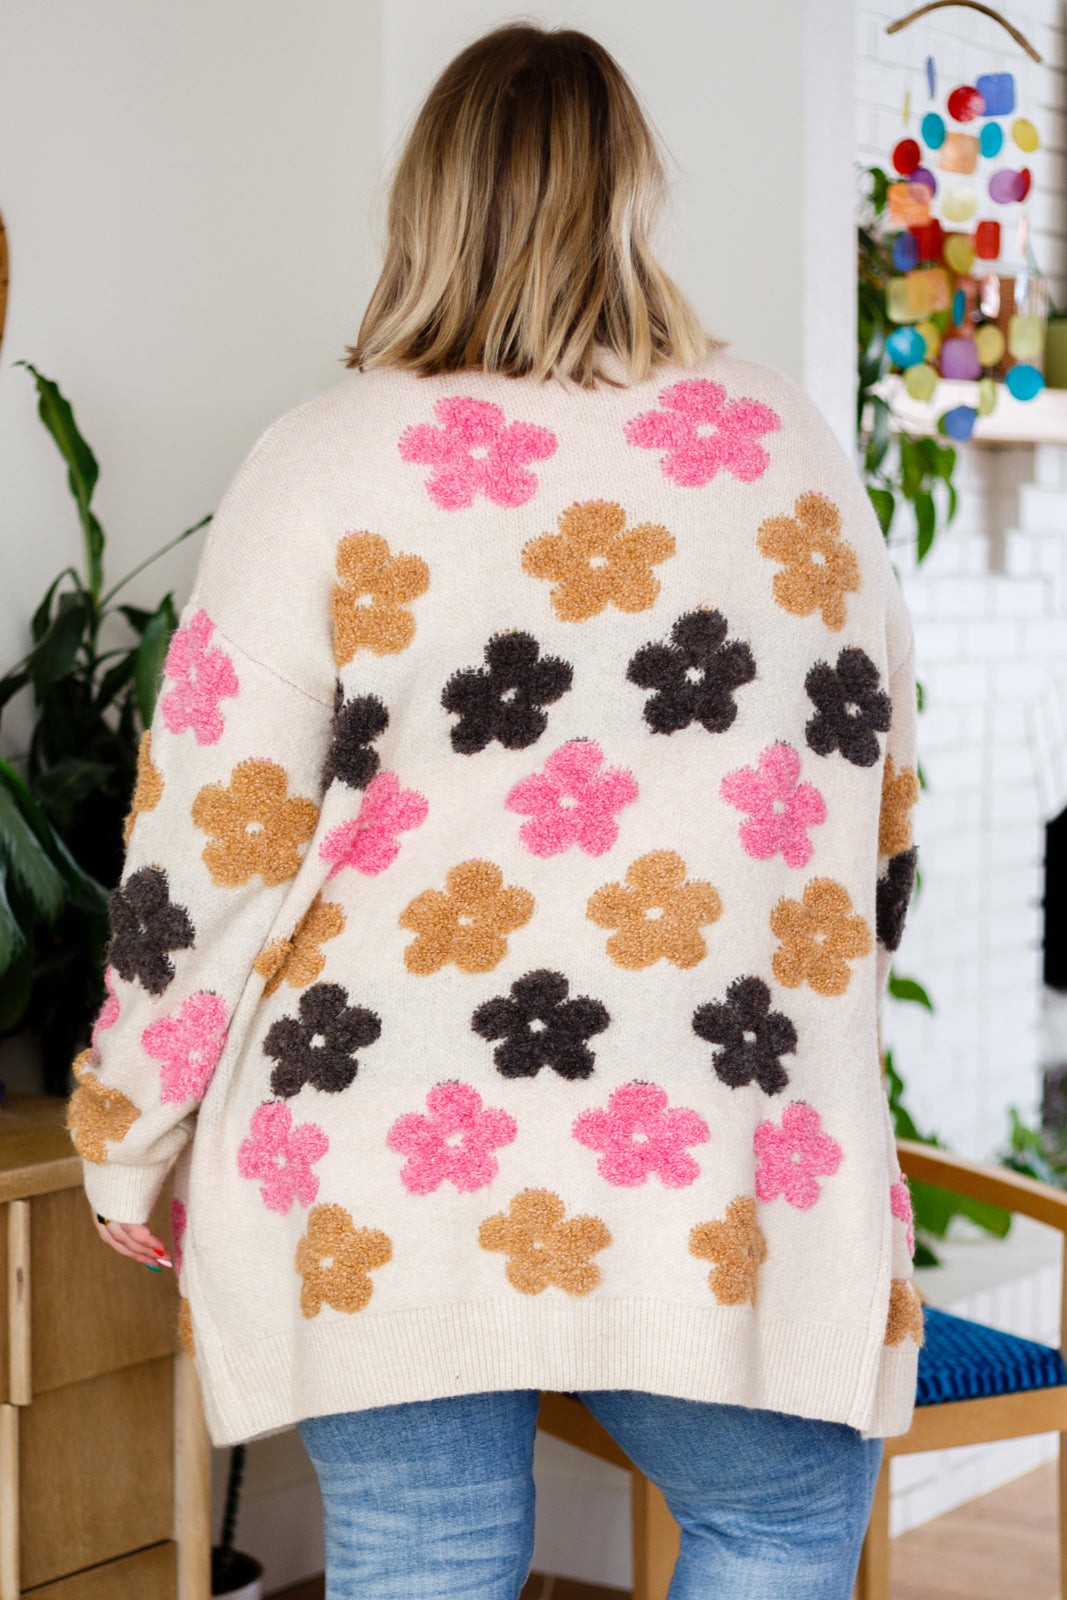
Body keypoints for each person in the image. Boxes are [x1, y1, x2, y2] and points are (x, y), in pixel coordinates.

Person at [69, 23, 921, 1600]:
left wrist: (131, 1130)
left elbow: (210, 846)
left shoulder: (320, 463)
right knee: (781, 1519)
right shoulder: (788, 452)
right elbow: (876, 819)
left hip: (375, 1140)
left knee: (425, 1546)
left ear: (424, 203)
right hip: (703, 1141)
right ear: (635, 195)